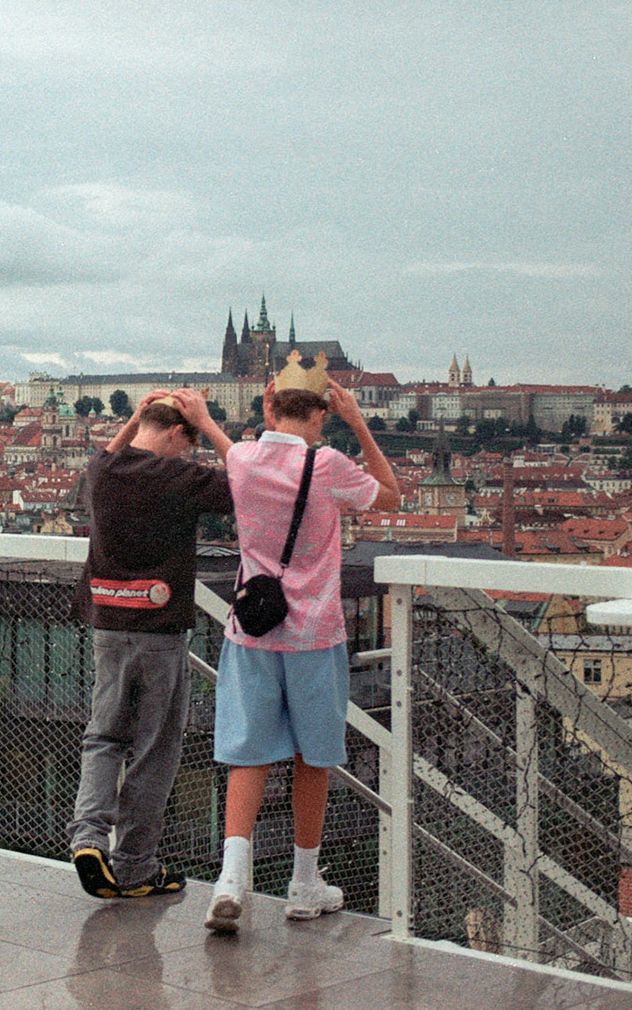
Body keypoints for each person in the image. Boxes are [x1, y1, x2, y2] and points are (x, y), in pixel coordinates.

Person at [204, 352, 401, 932]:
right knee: (313, 758)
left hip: (252, 632)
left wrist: (221, 419)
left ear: (270, 406)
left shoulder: (242, 459)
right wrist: (359, 422)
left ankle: (230, 880)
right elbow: (392, 496)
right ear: (322, 413)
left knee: (248, 754)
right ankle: (303, 883)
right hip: (314, 633)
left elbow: (234, 448)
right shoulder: (329, 464)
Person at [68, 387, 236, 899]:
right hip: (159, 626)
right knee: (154, 749)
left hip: (106, 619)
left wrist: (136, 417)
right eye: (186, 444)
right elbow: (250, 481)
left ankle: (88, 837)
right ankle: (135, 865)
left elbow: (109, 451)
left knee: (103, 736)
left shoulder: (103, 470)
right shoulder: (181, 477)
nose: (185, 454)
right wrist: (209, 424)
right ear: (177, 433)